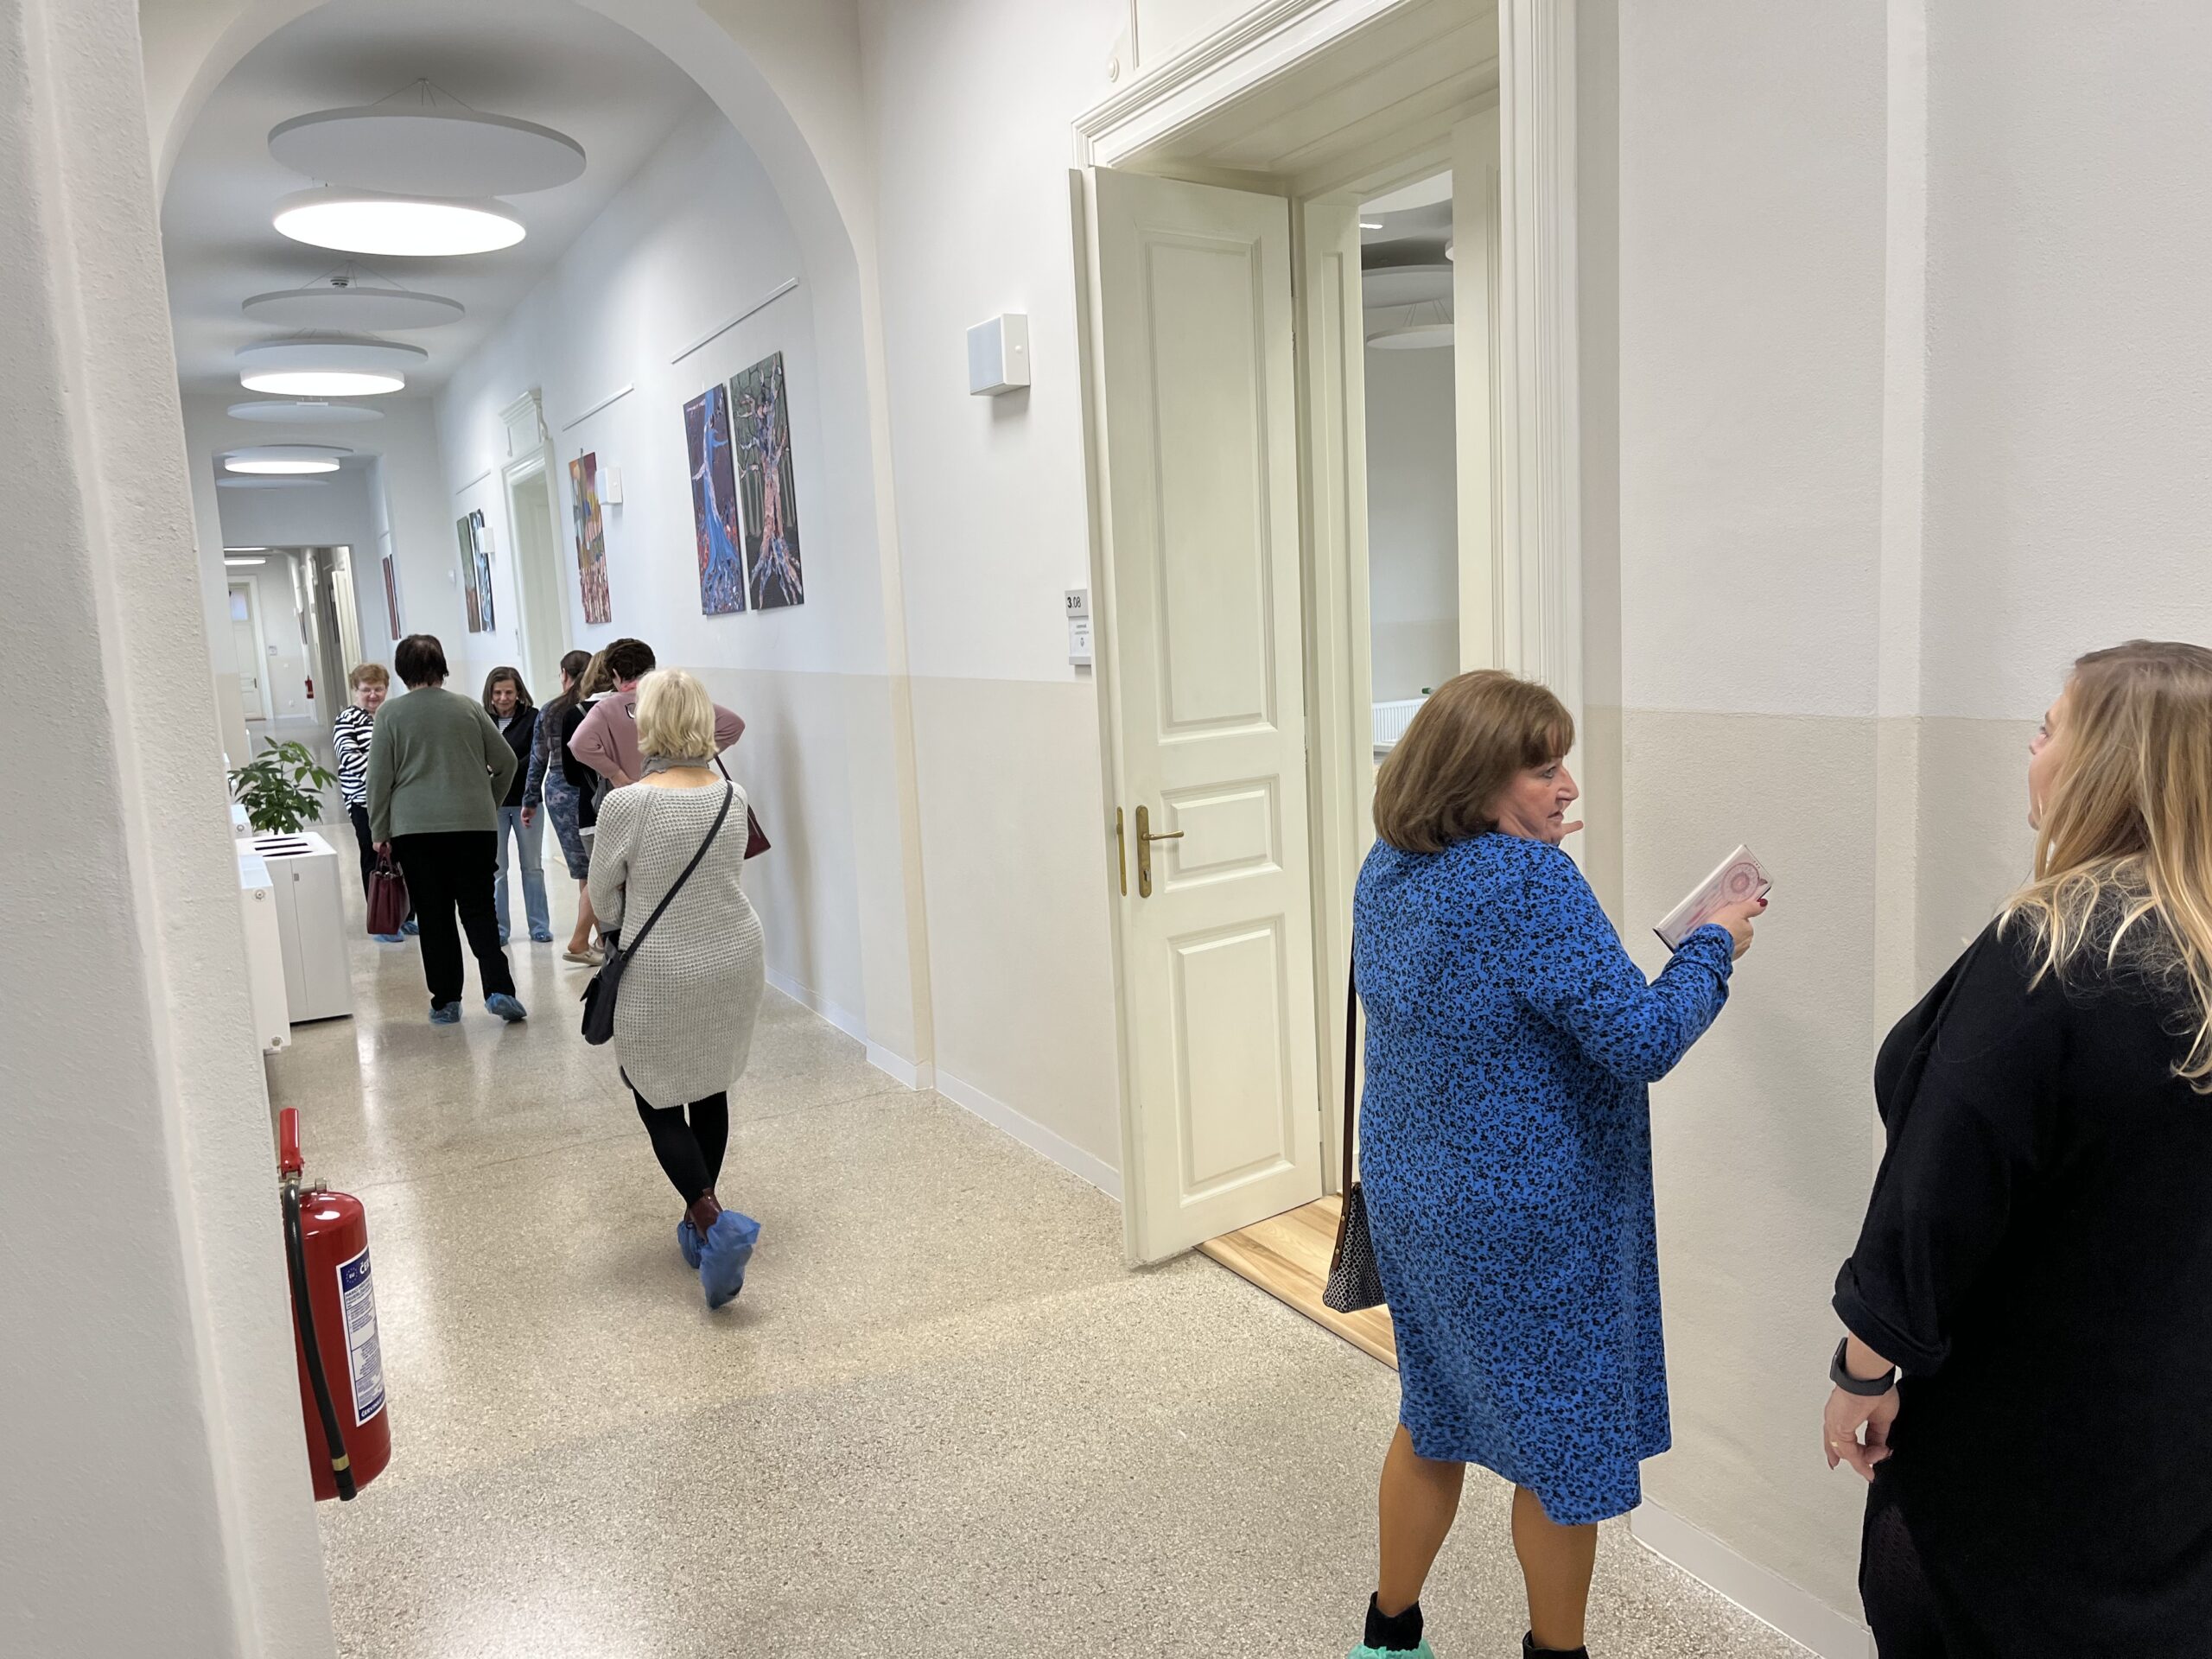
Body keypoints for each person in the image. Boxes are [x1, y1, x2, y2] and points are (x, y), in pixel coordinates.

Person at [1346, 671, 1765, 1659]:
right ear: (1472, 779)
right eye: (1541, 770)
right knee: (1560, 1454)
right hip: (1525, 1221)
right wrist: (1712, 946)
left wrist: (1530, 845)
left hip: (1412, 1196)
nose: (1567, 785)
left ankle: (1387, 1640)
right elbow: (1642, 1039)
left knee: (1432, 1415)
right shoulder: (1530, 886)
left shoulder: (1387, 867)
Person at [1824, 639, 2212, 1656]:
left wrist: (1862, 1372)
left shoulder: (2050, 951)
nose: (2030, 752)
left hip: (2022, 1453)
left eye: (2047, 730)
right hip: (2176, 1454)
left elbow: (1930, 1199)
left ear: (2108, 766)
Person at [588, 669, 766, 1308]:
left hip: (660, 966)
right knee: (709, 1085)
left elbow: (604, 894)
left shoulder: (627, 804)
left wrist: (618, 922)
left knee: (655, 1095)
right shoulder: (731, 795)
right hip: (732, 955)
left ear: (648, 721)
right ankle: (700, 1220)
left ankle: (715, 1224)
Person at [365, 634, 528, 1027]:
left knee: (434, 915)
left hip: (415, 829)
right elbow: (507, 762)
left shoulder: (390, 715)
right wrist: (487, 802)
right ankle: (500, 990)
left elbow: (378, 780)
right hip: (474, 827)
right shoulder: (468, 707)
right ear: (442, 667)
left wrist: (379, 829)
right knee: (479, 908)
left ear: (402, 671)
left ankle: (447, 1002)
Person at [568, 638, 745, 791]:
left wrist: (614, 773)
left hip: (631, 790)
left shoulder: (605, 708)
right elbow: (733, 724)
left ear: (615, 674)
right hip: (681, 786)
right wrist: (696, 757)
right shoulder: (676, 697)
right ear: (652, 667)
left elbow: (578, 744)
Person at [527, 648, 601, 965]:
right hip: (594, 787)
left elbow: (538, 758)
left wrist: (530, 799)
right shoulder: (596, 707)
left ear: (564, 675)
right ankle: (595, 939)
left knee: (586, 870)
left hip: (559, 790)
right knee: (600, 867)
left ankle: (598, 940)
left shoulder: (550, 710)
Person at [333, 662, 406, 944]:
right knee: (374, 859)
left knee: (401, 858)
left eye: (378, 689)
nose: (373, 695)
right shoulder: (347, 720)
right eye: (366, 690)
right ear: (355, 690)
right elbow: (350, 758)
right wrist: (386, 776)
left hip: (397, 802)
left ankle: (405, 915)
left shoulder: (393, 716)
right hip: (363, 803)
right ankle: (382, 922)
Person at [482, 666, 552, 947]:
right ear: (490, 694)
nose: (503, 698)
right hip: (493, 803)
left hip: (528, 801)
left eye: (509, 692)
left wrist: (503, 767)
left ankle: (539, 926)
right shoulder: (482, 718)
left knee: (532, 867)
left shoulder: (533, 718)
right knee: (497, 870)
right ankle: (499, 929)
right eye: (498, 692)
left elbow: (536, 757)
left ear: (519, 692)